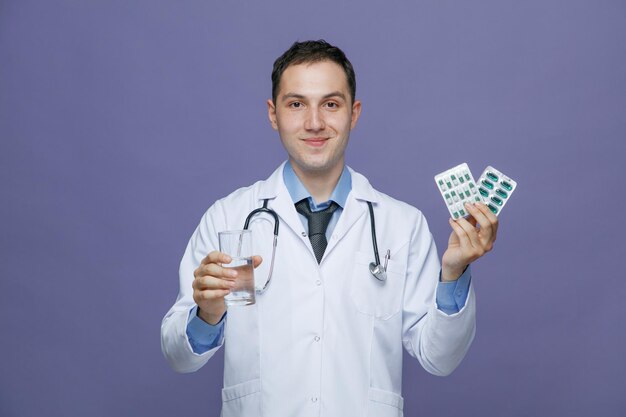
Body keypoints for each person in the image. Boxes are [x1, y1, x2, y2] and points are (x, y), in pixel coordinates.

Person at [161, 40, 498, 417]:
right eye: (296, 104)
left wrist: (453, 273)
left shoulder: (402, 225)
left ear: (354, 114)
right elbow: (179, 357)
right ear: (273, 114)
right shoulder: (228, 217)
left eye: (331, 104)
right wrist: (208, 314)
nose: (315, 123)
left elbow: (440, 358)